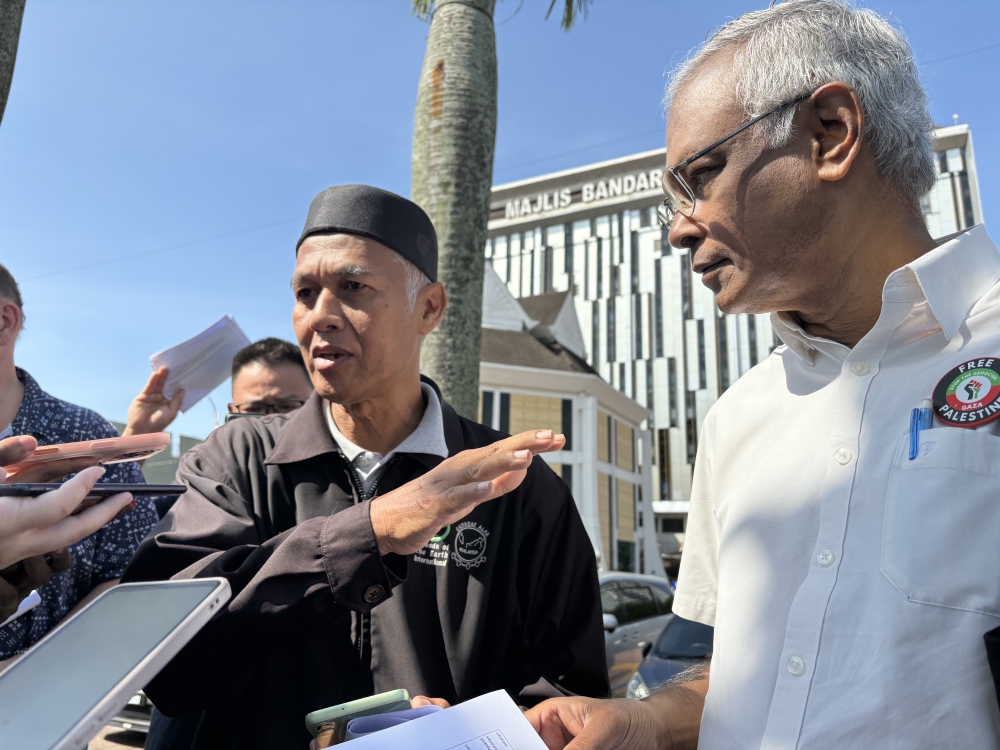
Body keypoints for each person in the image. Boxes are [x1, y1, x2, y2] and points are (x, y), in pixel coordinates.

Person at [525, 2, 1000, 748]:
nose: (679, 228)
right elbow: (745, 673)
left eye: (702, 175)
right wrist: (645, 722)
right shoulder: (736, 416)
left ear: (831, 133)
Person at [122, 185, 609, 750]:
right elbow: (166, 665)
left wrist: (464, 733)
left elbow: (567, 698)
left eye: (353, 288)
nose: (320, 317)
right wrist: (372, 532)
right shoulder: (235, 461)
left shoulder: (512, 485)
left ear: (429, 308)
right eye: (305, 293)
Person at [0, 263, 157, 667]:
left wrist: (27, 676)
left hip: (52, 701)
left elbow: (131, 579)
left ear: (4, 321)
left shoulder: (85, 434)